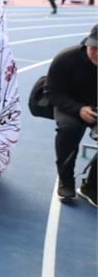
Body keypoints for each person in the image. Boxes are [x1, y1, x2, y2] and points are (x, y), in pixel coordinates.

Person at [45, 25, 97, 205]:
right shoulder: (67, 58)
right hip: (69, 104)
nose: (97, 54)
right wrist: (78, 109)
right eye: (94, 48)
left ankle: (92, 186)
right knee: (70, 129)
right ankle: (66, 180)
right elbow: (51, 92)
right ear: (87, 43)